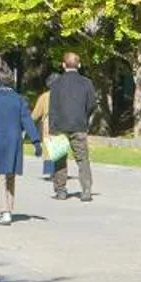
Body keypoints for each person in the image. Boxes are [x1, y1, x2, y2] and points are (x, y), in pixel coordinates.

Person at [0, 62, 40, 226]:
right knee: (10, 174)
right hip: (14, 138)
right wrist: (36, 141)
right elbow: (27, 120)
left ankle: (4, 212)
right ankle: (9, 209)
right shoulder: (18, 98)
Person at [45, 51, 98, 201]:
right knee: (82, 159)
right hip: (79, 124)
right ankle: (86, 190)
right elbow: (92, 104)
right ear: (79, 65)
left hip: (59, 125)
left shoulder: (56, 84)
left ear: (63, 65)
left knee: (59, 159)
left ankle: (61, 190)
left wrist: (51, 128)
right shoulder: (86, 83)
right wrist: (84, 116)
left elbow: (52, 107)